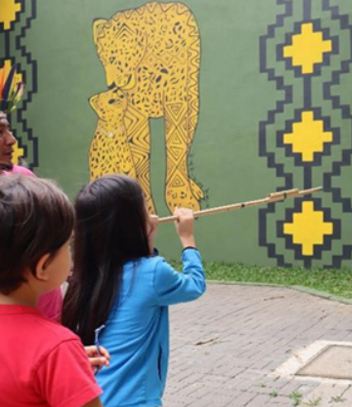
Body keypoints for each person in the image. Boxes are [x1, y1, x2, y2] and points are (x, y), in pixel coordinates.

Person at [62, 174, 206, 407]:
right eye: (145, 208)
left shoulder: (81, 273)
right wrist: (188, 239)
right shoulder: (153, 273)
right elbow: (195, 285)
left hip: (92, 397)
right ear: (133, 224)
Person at [0, 174, 103, 407]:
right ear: (43, 266)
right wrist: (61, 360)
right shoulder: (57, 347)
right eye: (67, 244)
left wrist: (64, 370)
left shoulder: (56, 353)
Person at [0, 111, 64, 321]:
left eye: (8, 129)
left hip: (49, 313)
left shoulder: (24, 178)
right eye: (0, 132)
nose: (11, 139)